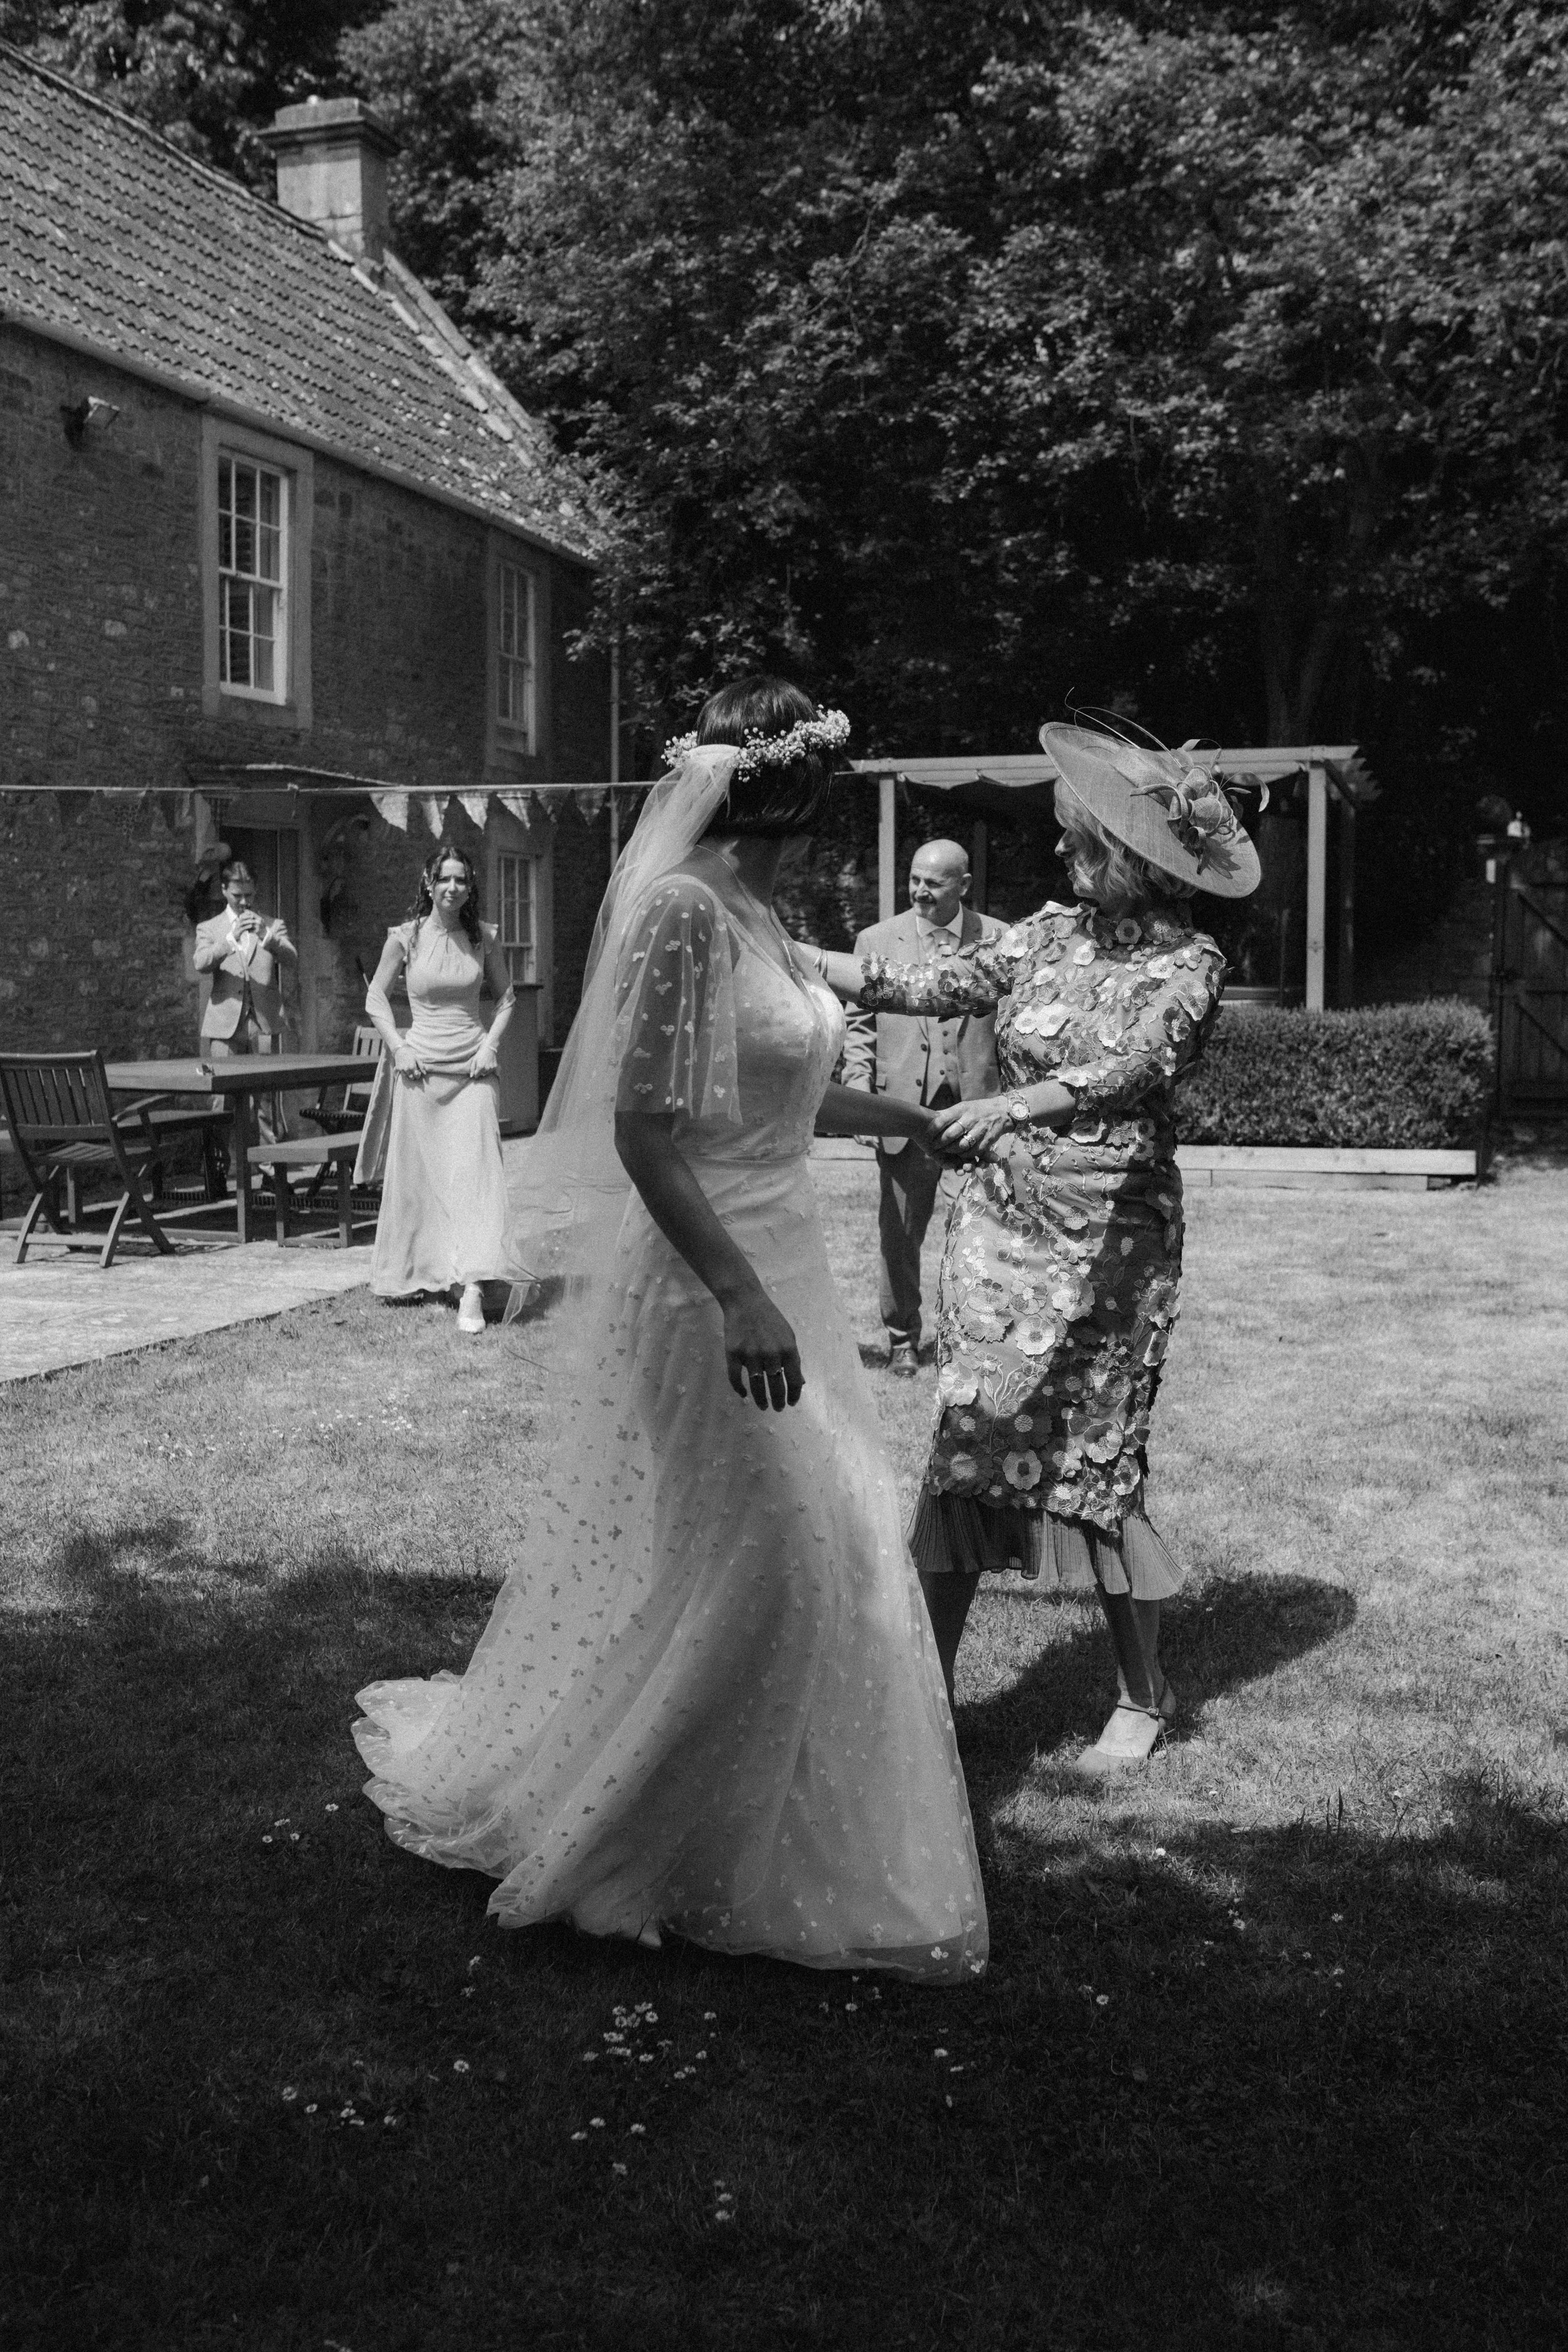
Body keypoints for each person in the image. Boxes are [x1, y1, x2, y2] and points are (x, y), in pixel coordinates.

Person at [352, 677, 988, 1981]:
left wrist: (908, 1124)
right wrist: (736, 1296)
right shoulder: (684, 910)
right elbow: (647, 1134)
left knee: (826, 1550)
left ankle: (755, 1822)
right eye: (829, 771)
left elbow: (775, 1104)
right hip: (701, 1286)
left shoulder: (760, 912)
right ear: (790, 785)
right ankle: (631, 1835)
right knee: (772, 1556)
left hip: (785, 1264)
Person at [799, 720, 1260, 1773]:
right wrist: (782, 952)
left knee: (1096, 1464)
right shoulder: (1041, 934)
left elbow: (1137, 1070)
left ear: (1133, 853)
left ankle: (1145, 1695)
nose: (1061, 856)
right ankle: (921, 1697)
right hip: (997, 1234)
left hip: (1112, 1248)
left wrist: (1015, 1105)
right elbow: (919, 985)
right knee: (966, 1441)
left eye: (1078, 839)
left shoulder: (1192, 961)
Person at [842, 840, 1004, 1375]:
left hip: (976, 1113)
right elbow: (860, 1025)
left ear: (964, 884)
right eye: (914, 880)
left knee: (980, 1228)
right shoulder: (876, 940)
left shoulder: (1002, 940)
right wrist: (863, 1100)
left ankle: (974, 1332)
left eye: (933, 883)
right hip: (900, 1111)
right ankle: (902, 1338)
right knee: (901, 1232)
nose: (920, 891)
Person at [358, 845, 515, 1334]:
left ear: (470, 887)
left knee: (477, 1175)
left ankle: (471, 1286)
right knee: (425, 1180)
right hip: (420, 1071)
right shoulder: (405, 939)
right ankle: (436, 1273)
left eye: (462, 881)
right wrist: (398, 1046)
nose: (453, 888)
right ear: (428, 883)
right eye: (444, 879)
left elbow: (506, 999)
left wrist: (491, 1045)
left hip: (472, 1070)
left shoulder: (483, 938)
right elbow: (375, 998)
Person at [192, 856, 297, 1160]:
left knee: (267, 1100)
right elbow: (199, 963)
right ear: (224, 891)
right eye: (237, 896)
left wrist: (266, 936)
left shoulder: (272, 924)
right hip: (224, 1028)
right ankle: (219, 1169)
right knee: (221, 1100)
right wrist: (229, 939)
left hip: (263, 1024)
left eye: (249, 895)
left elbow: (292, 959)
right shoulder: (209, 928)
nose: (244, 902)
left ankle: (270, 1170)